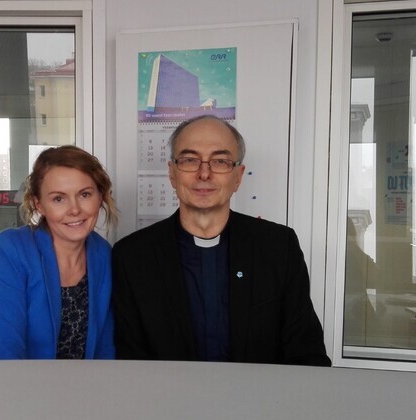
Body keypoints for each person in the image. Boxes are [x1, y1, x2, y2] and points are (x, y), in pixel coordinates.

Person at [112, 115, 331, 365]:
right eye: (190, 160)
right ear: (172, 173)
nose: (204, 174)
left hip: (260, 391)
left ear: (238, 176)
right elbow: (130, 362)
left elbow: (306, 353)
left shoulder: (279, 247)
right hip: (167, 391)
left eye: (220, 161)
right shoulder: (133, 256)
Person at [0, 145, 118, 360]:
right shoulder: (10, 250)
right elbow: (4, 354)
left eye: (85, 194)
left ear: (100, 197)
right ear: (39, 204)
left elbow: (104, 348)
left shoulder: (103, 254)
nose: (75, 209)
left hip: (74, 381)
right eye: (58, 198)